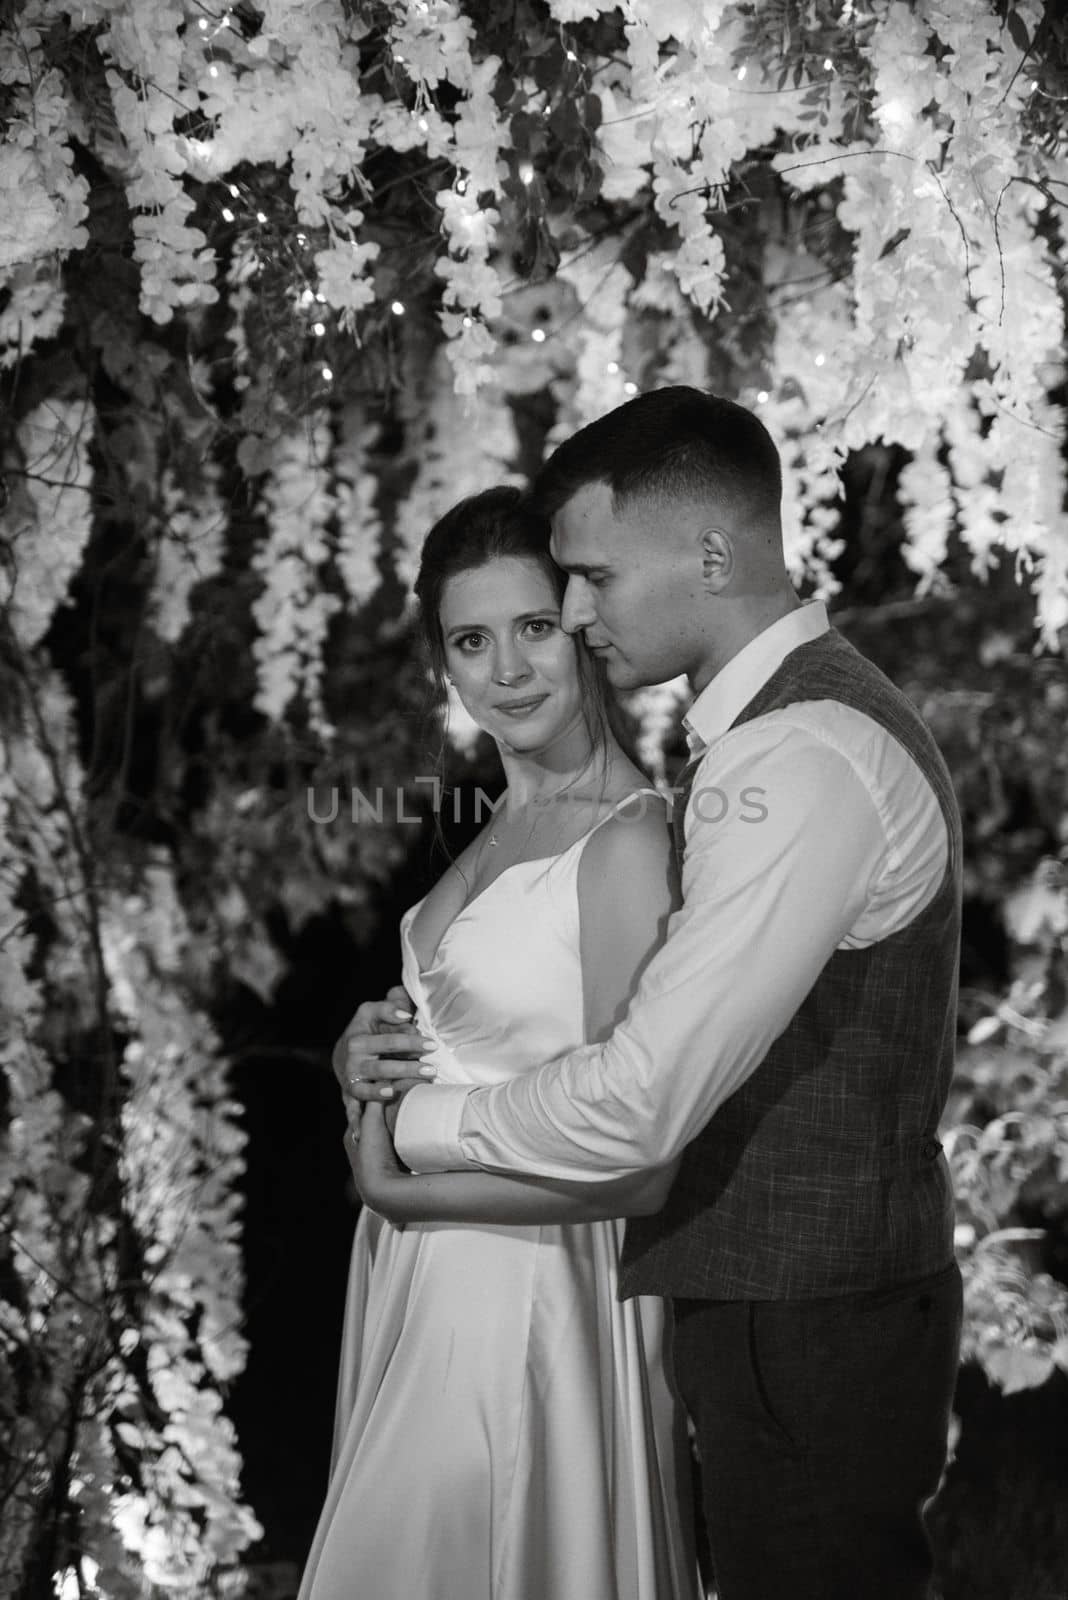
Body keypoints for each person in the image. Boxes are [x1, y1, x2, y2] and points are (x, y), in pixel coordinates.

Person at [342, 388, 965, 1600]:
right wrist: (374, 1071)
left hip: (801, 1317)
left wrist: (406, 1141)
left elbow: (639, 1106)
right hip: (765, 1312)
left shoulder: (797, 757)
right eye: (476, 638)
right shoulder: (752, 750)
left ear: (711, 555)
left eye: (583, 586)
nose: (570, 622)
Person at [299, 486, 699, 1600]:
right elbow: (474, 1026)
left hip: (533, 1292)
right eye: (473, 640)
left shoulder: (626, 841)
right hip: (422, 1279)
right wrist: (364, 1056)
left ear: (581, 623)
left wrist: (404, 1192)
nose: (508, 669)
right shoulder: (495, 823)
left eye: (533, 627)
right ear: (444, 662)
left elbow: (637, 1161)